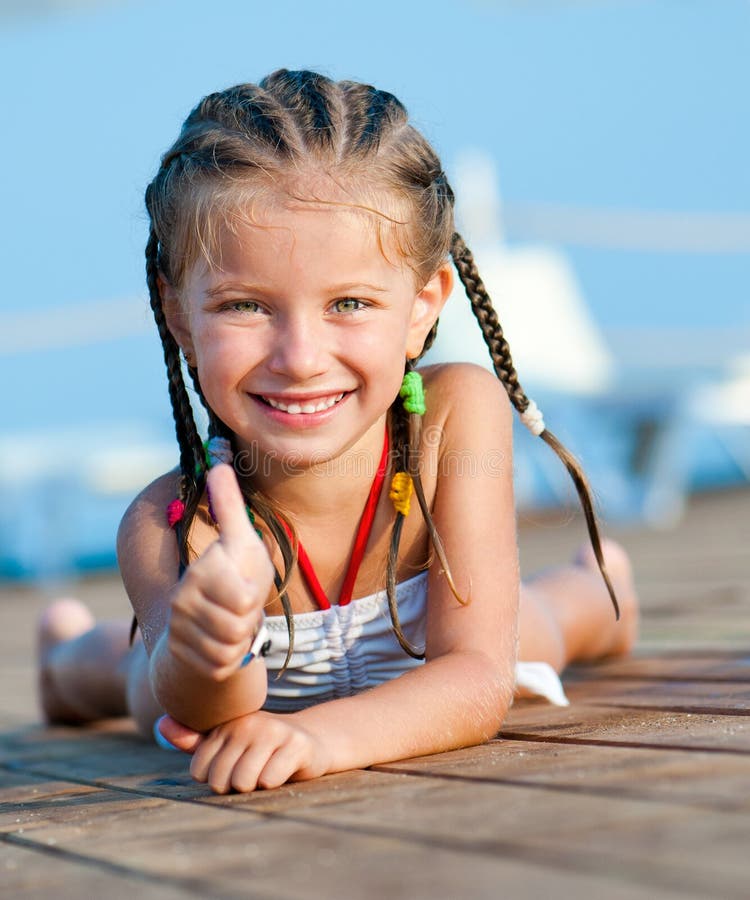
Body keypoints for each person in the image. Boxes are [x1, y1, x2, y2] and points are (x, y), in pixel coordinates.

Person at [37, 70, 638, 794]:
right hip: (229, 691)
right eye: (244, 306)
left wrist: (316, 736)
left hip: (433, 657)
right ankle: (64, 659)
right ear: (177, 315)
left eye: (349, 302)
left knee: (542, 623)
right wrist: (207, 651)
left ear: (421, 306)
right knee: (132, 674)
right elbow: (203, 708)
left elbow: (477, 679)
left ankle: (600, 593)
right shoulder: (168, 526)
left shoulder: (454, 419)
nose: (300, 359)